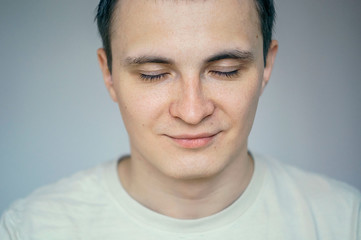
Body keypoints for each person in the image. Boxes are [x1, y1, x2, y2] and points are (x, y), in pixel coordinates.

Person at [0, 0, 360, 239]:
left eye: (225, 70)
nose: (192, 111)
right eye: (154, 74)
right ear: (108, 74)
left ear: (267, 65)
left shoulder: (345, 222)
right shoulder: (29, 229)